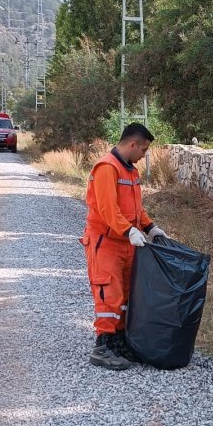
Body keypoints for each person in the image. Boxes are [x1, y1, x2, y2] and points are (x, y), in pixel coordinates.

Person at [81, 123, 167, 370]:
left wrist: (150, 227)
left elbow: (136, 208)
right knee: (109, 293)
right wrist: (129, 230)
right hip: (106, 242)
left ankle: (119, 342)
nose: (144, 155)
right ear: (133, 144)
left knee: (126, 295)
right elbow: (108, 209)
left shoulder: (130, 171)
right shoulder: (107, 168)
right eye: (144, 149)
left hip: (127, 242)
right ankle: (102, 347)